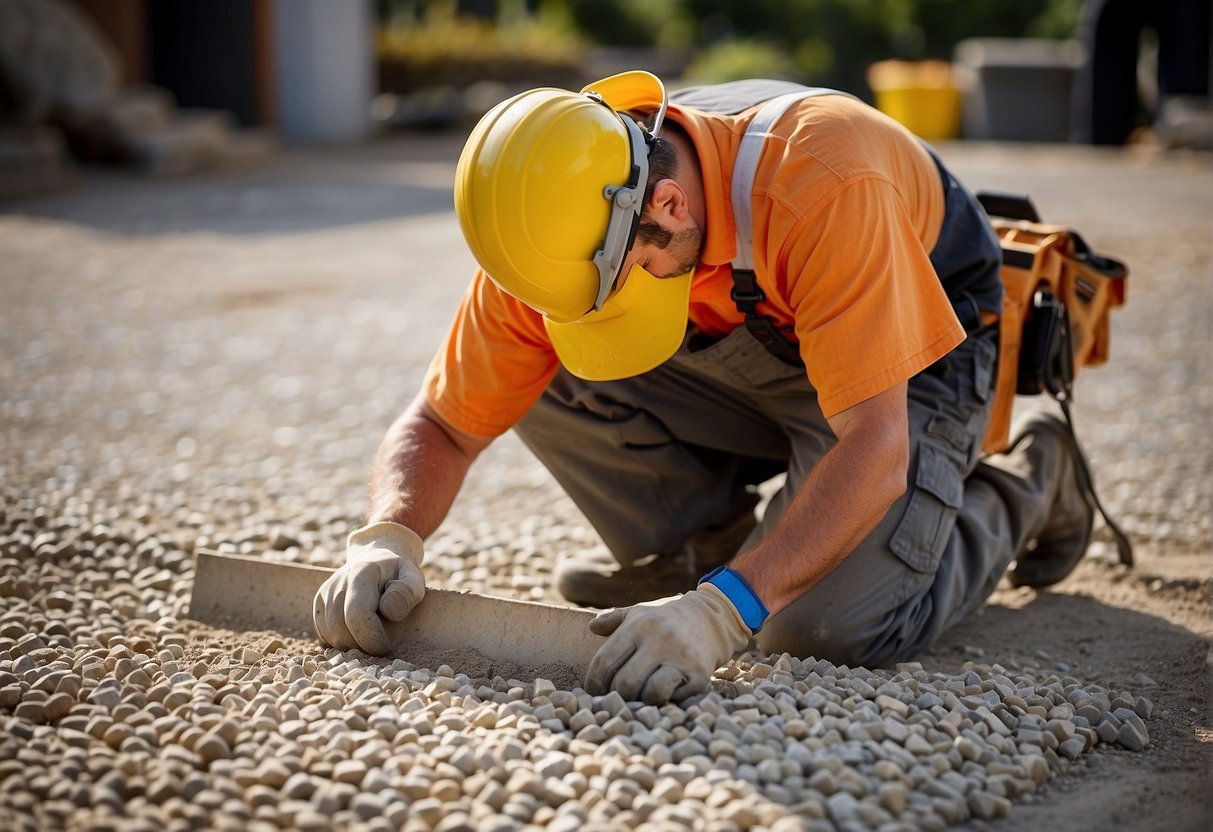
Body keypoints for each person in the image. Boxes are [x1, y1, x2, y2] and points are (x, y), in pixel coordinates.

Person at [313, 71, 1098, 705]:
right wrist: (388, 535)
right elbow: (445, 422)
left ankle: (1031, 482)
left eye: (621, 291)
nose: (601, 312)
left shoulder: (822, 181)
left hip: (907, 352)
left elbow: (875, 445)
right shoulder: (559, 229)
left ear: (668, 204)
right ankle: (706, 557)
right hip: (761, 333)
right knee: (548, 369)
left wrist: (726, 612)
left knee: (817, 629)